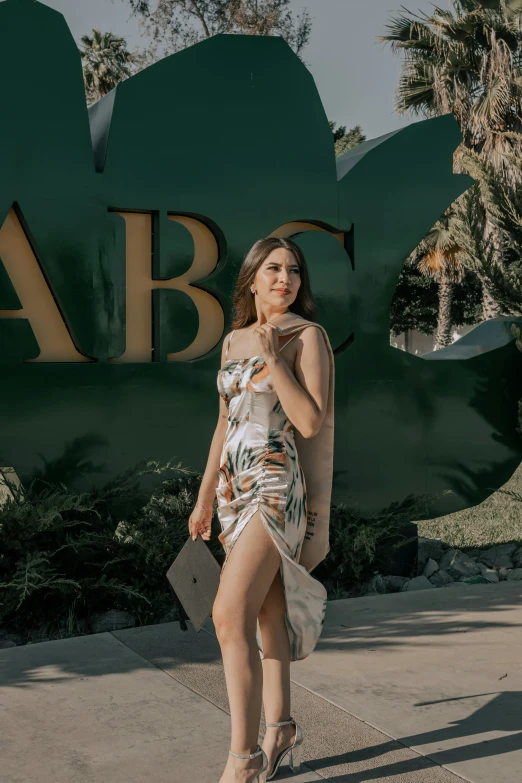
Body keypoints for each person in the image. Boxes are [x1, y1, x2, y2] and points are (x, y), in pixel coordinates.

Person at [188, 236, 334, 783]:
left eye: (294, 271)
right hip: (232, 489)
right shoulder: (231, 341)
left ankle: (243, 760)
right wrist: (205, 497)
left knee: (229, 616)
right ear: (252, 278)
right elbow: (224, 424)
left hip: (275, 486)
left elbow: (311, 421)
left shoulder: (305, 337)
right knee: (268, 613)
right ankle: (280, 728)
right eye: (273, 269)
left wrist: (276, 360)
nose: (285, 279)